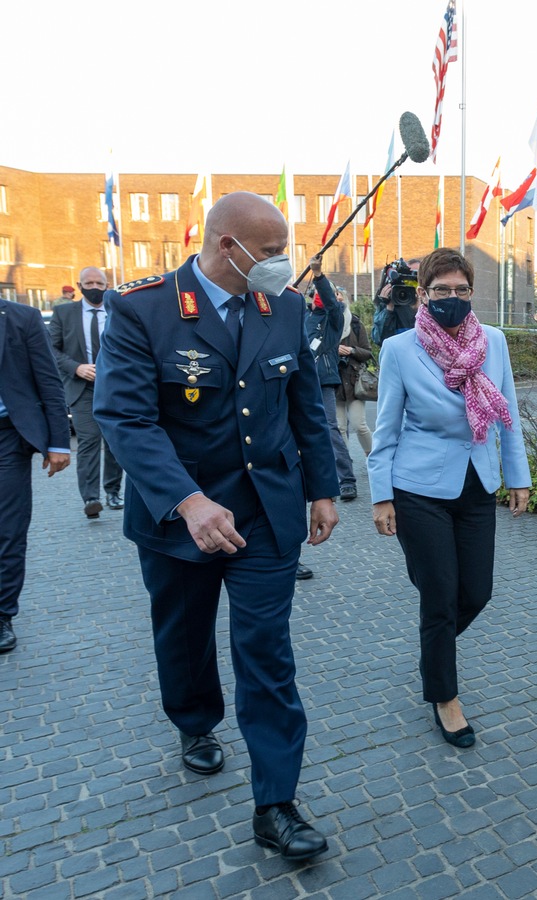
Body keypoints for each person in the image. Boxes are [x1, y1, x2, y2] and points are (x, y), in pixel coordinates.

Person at [93, 192, 340, 861]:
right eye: (268, 252)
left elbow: (305, 404)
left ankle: (277, 804)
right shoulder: (141, 307)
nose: (280, 265)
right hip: (179, 519)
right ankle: (196, 723)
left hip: (265, 512)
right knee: (184, 633)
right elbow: (125, 417)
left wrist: (324, 487)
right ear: (226, 246)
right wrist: (189, 501)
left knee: (266, 652)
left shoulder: (285, 307)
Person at [369, 247, 530, 748]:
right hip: (417, 489)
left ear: (471, 292)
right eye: (442, 291)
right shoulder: (399, 349)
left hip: (476, 484)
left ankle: (431, 652)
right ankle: (445, 696)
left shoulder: (494, 343)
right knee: (439, 595)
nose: (452, 298)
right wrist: (380, 497)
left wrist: (518, 477)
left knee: (476, 592)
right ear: (423, 295)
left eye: (461, 290)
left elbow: (507, 414)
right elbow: (386, 429)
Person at [0, 298, 71, 654]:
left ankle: (2, 613)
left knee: (8, 529)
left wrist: (59, 442)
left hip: (6, 438)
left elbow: (48, 380)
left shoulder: (21, 318)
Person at [49, 266, 126, 518]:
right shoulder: (63, 312)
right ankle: (91, 498)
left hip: (115, 387)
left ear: (107, 286)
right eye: (89, 283)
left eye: (99, 283)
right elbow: (51, 350)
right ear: (79, 285)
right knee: (89, 442)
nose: (94, 288)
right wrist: (76, 368)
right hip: (82, 389)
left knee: (115, 442)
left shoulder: (118, 309)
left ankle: (113, 491)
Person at [305, 264, 357, 500]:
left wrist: (319, 276)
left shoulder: (334, 316)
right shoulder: (304, 317)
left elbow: (329, 299)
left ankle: (346, 479)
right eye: (316, 291)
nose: (322, 295)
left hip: (324, 380)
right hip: (302, 381)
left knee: (329, 428)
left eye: (328, 292)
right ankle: (316, 480)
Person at [334, 286, 374, 457]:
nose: (338, 299)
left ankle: (373, 456)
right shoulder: (325, 324)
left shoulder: (356, 324)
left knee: (360, 425)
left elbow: (368, 352)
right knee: (340, 427)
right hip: (334, 382)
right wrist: (333, 350)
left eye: (340, 296)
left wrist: (351, 351)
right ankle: (345, 464)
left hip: (354, 382)